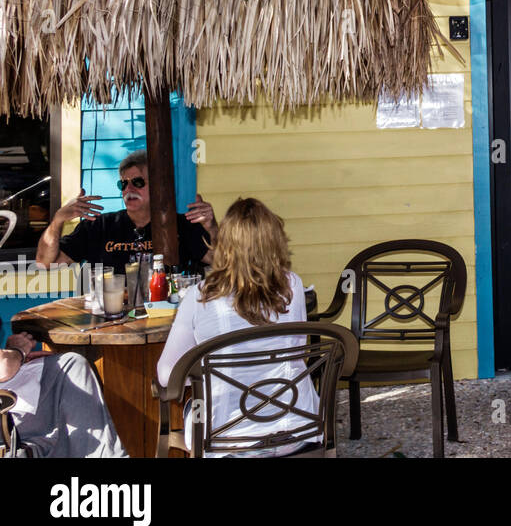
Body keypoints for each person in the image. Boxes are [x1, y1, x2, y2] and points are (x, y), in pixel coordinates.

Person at [156, 197, 314, 456]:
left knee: (192, 401)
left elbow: (167, 376)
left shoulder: (200, 296)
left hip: (227, 439)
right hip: (295, 429)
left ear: (224, 245)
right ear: (275, 240)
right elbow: (298, 346)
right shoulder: (293, 286)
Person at [36, 149, 215, 272]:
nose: (128, 190)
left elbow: (222, 262)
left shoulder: (180, 225)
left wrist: (212, 227)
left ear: (159, 187)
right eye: (123, 184)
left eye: (137, 182)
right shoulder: (99, 226)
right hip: (110, 317)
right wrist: (57, 221)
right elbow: (45, 264)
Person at [0, 321, 126, 457]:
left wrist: (14, 357)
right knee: (71, 368)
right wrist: (17, 351)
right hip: (9, 414)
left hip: (12, 392)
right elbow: (5, 367)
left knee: (70, 364)